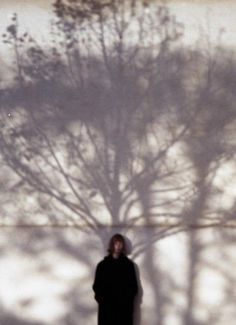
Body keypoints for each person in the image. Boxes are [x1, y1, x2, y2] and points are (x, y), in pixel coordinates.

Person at [93, 233, 138, 325]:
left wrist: (127, 302)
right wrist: (103, 301)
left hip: (124, 310)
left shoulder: (128, 265)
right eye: (116, 243)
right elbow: (97, 286)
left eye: (120, 244)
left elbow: (133, 287)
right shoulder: (102, 265)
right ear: (112, 245)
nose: (118, 246)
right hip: (106, 309)